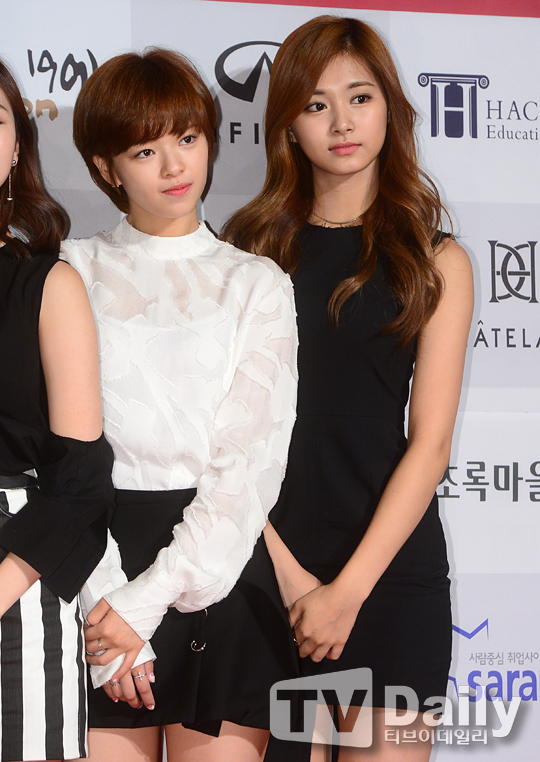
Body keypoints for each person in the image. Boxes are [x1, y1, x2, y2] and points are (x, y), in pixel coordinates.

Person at [217, 15, 474, 762]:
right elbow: (219, 432)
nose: (342, 123)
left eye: (360, 98)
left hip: (389, 572)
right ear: (287, 126)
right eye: (316, 104)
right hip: (261, 566)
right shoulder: (245, 250)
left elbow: (430, 445)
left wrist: (348, 589)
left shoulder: (436, 259)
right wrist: (290, 576)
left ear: (390, 108)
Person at [61, 49, 298, 762]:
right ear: (106, 168)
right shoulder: (69, 270)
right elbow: (55, 456)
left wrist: (145, 601)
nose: (173, 166)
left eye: (187, 139)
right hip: (90, 564)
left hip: (217, 567)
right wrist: (108, 607)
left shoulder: (255, 282)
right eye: (145, 150)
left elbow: (248, 462)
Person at [0, 60, 114, 761]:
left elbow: (82, 480)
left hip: (20, 579)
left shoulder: (48, 284)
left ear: (17, 145)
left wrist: (5, 584)